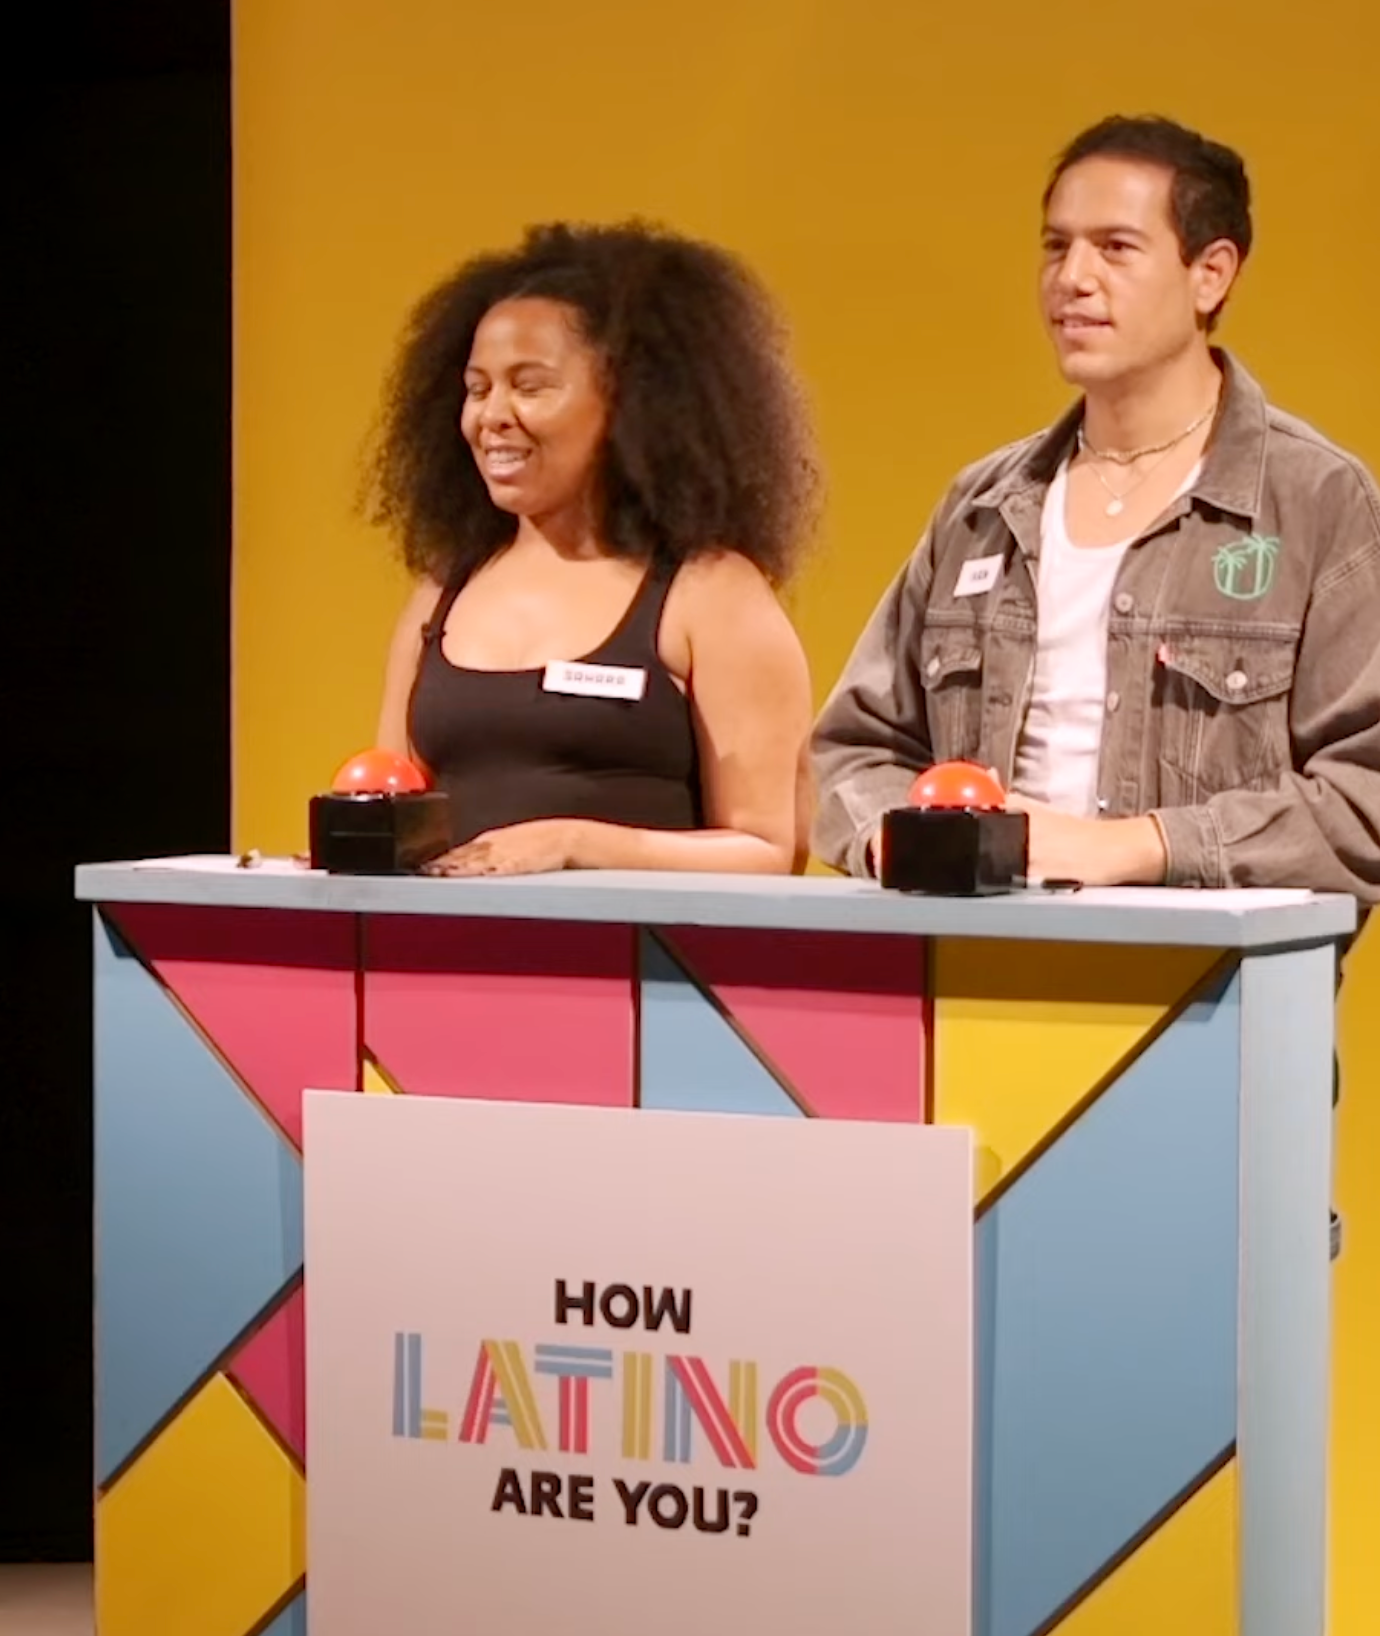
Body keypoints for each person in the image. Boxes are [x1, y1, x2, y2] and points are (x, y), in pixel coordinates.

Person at [810, 116, 1377, 1259]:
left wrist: (1122, 845)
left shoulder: (1317, 504)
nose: (1072, 279)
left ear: (1211, 272)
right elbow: (849, 753)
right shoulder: (984, 502)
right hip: (969, 1026)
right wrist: (892, 839)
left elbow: (1363, 802)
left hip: (1204, 1034)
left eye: (1116, 248)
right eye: (1055, 246)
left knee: (1187, 1408)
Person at [363, 221, 823, 878]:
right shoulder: (445, 591)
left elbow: (768, 852)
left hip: (639, 973)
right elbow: (392, 807)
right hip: (446, 971)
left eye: (530, 385)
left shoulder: (707, 592)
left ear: (629, 403)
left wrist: (574, 844)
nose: (492, 415)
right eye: (477, 387)